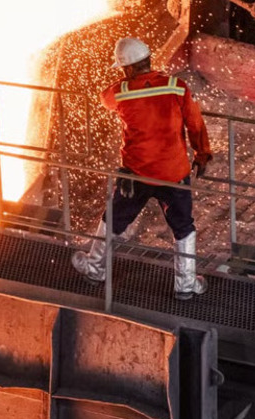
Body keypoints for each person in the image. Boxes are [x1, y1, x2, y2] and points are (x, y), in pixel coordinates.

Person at [72, 37, 213, 298]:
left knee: (113, 219)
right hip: (174, 173)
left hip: (137, 174)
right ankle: (185, 285)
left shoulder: (121, 91)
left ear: (127, 68)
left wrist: (127, 81)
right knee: (183, 227)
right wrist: (202, 154)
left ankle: (95, 268)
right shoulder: (176, 87)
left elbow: (104, 98)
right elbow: (195, 123)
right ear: (149, 60)